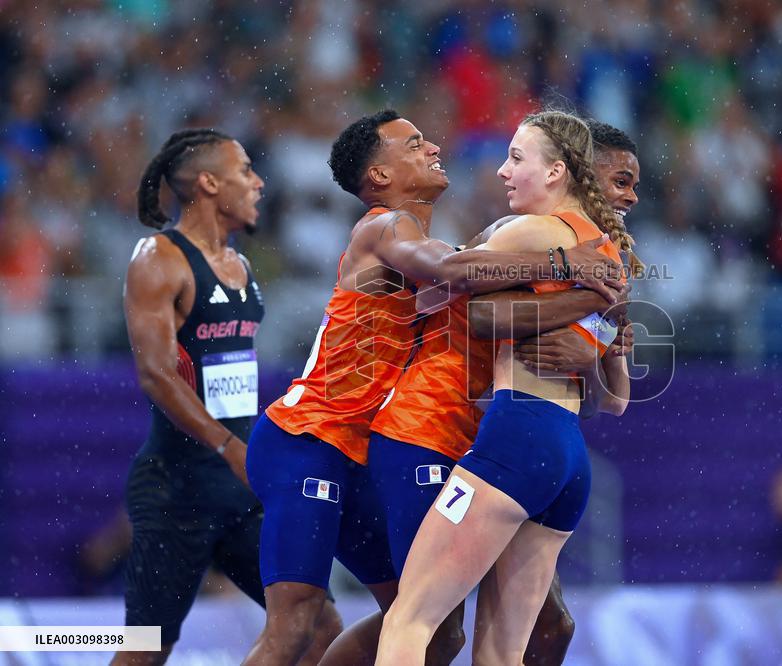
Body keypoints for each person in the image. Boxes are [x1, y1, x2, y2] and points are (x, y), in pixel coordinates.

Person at [244, 109, 622, 666]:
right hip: (314, 436)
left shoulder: (443, 245)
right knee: (301, 621)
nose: (432, 147)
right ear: (379, 177)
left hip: (372, 443)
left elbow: (472, 279)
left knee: (437, 630)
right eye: (413, 144)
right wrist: (574, 266)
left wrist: (597, 325)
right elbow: (460, 276)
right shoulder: (385, 226)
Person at [362, 119, 640, 665]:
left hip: (517, 436)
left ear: (557, 171)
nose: (503, 171)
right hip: (567, 457)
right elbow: (615, 400)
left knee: (409, 620)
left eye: (516, 158)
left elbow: (446, 282)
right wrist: (589, 336)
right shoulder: (615, 258)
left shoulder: (530, 230)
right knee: (502, 654)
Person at [113, 129, 341, 666]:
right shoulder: (159, 258)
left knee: (318, 622)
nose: (259, 182)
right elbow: (156, 374)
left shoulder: (240, 265)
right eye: (245, 171)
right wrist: (228, 447)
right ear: (209, 183)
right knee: (145, 649)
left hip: (243, 491)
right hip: (178, 490)